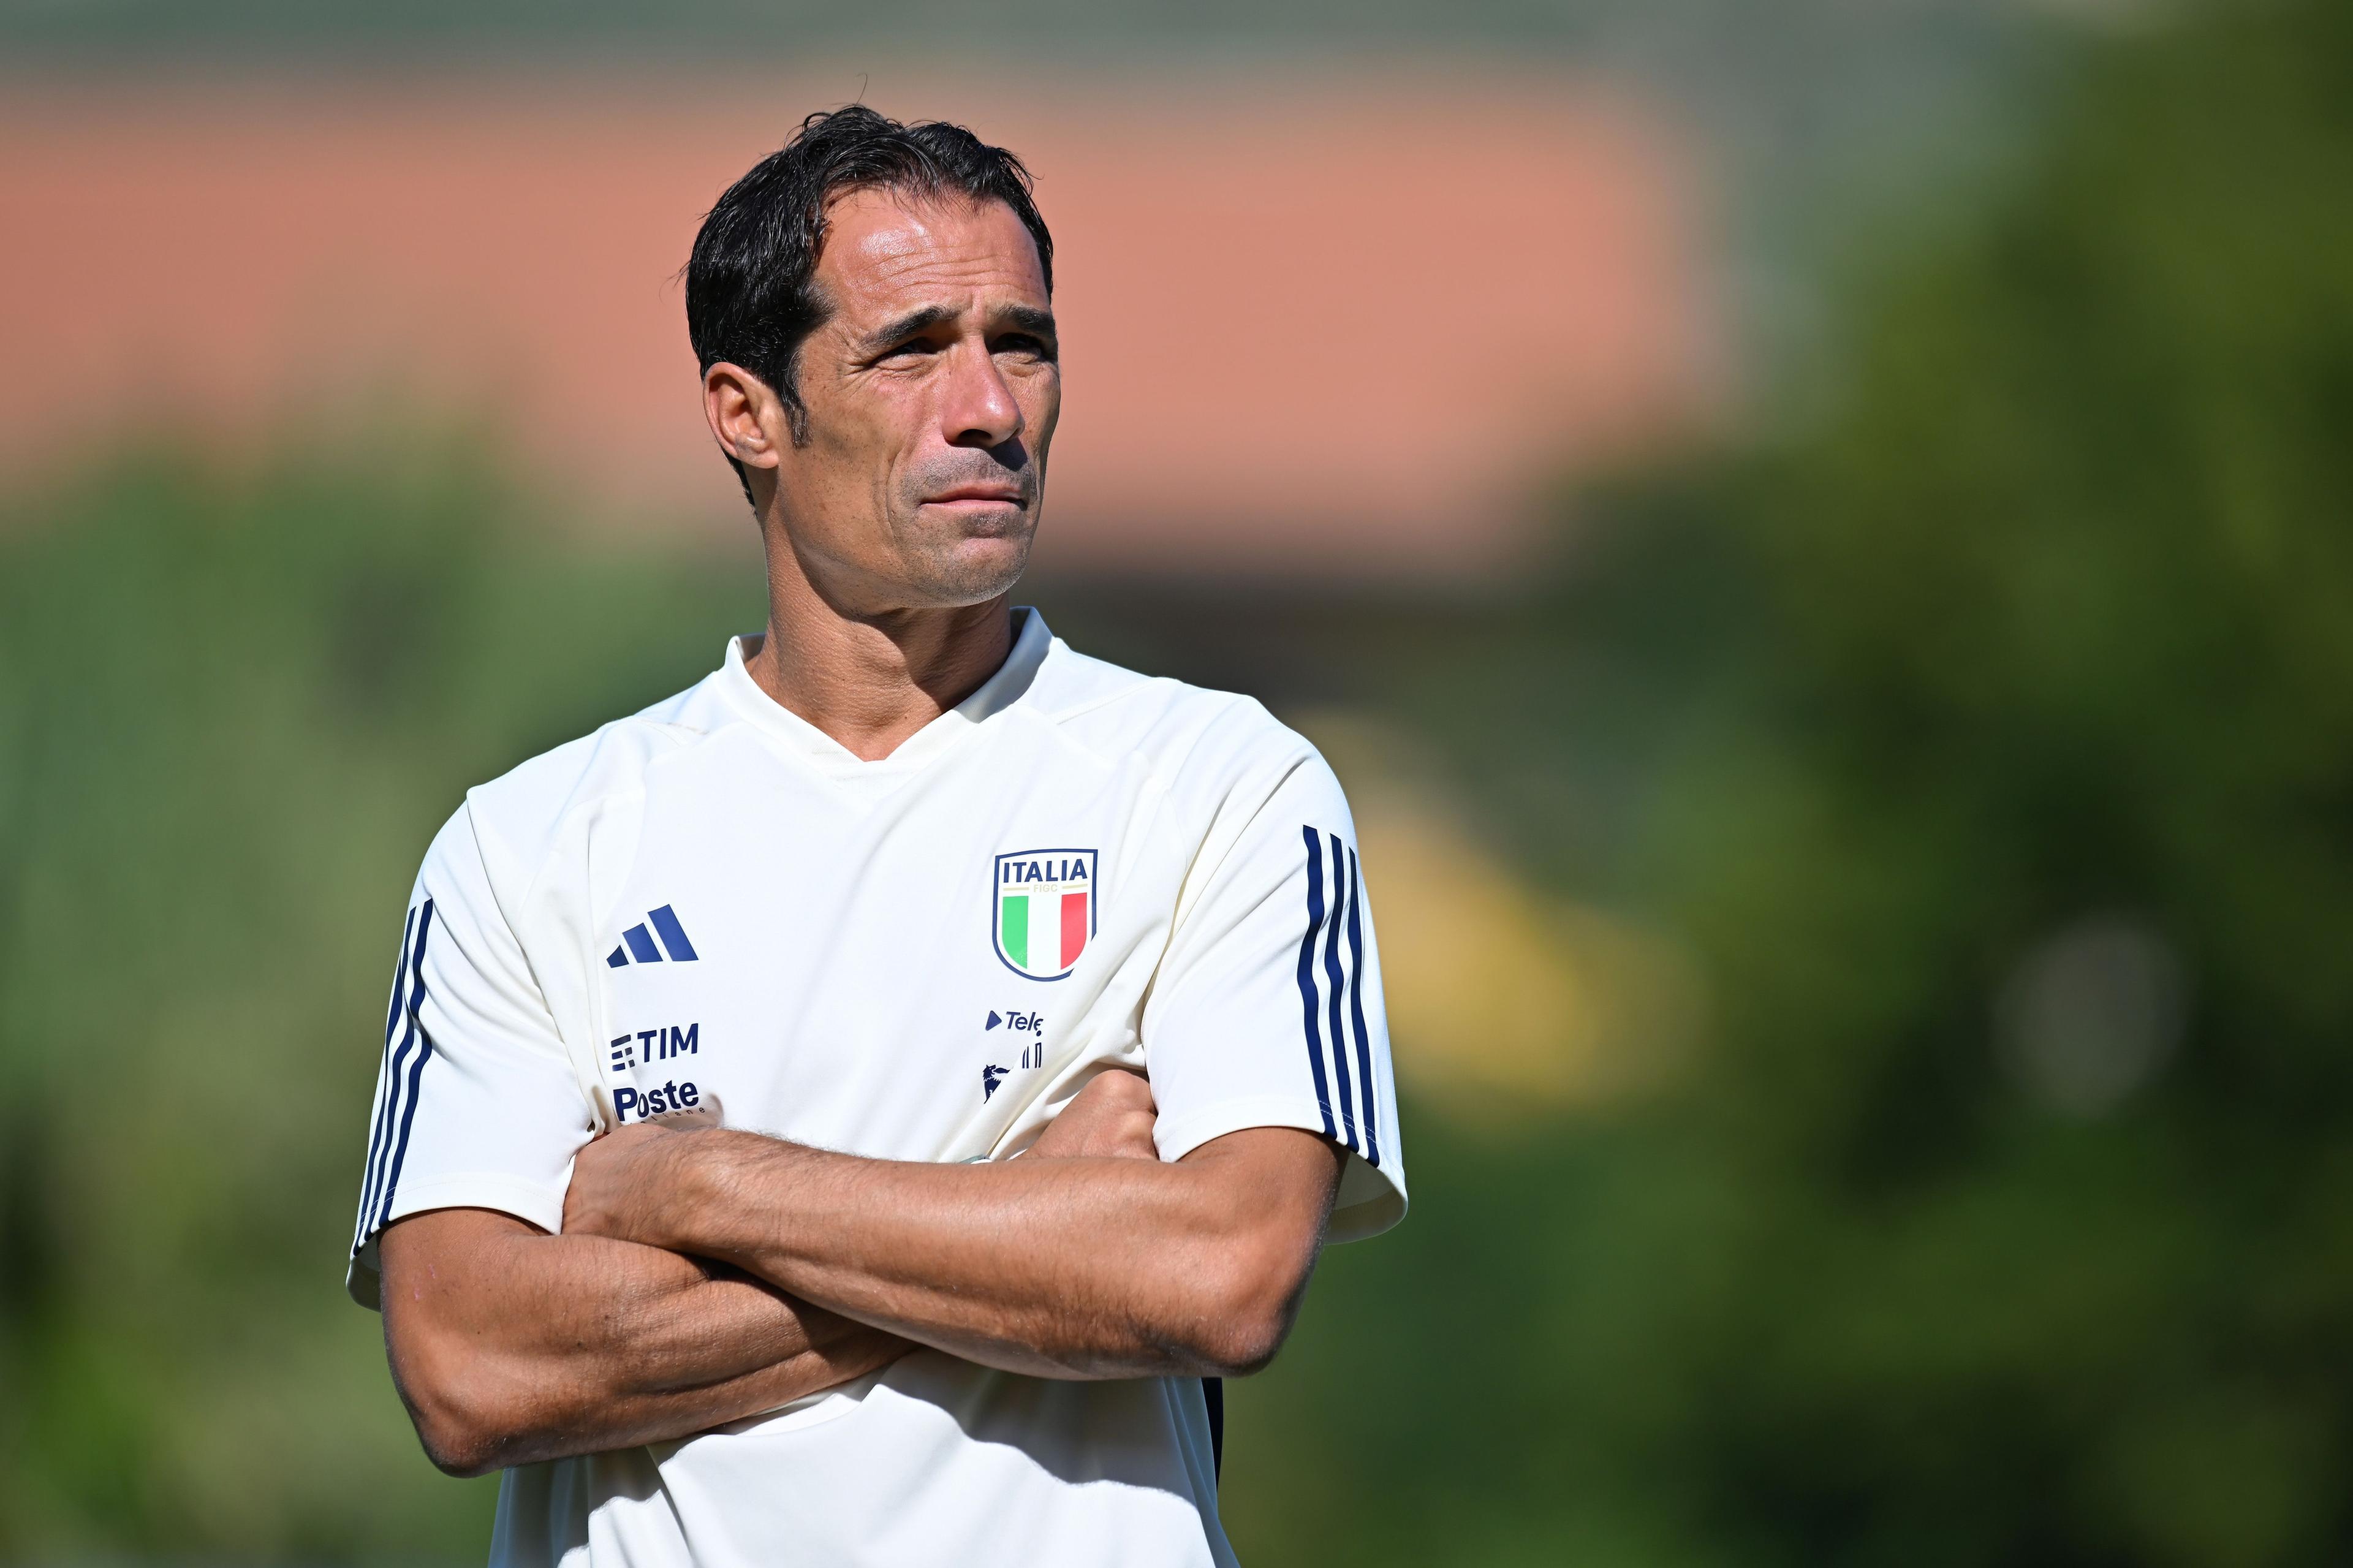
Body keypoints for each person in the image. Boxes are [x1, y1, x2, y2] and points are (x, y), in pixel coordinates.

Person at [347, 105, 1406, 1568]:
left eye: (1021, 343)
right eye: (912, 347)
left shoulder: (1220, 783)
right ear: (748, 411)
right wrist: (1028, 1221)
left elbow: (1220, 1274)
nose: (988, 405)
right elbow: (470, 1366)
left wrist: (701, 1187)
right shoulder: (530, 844)